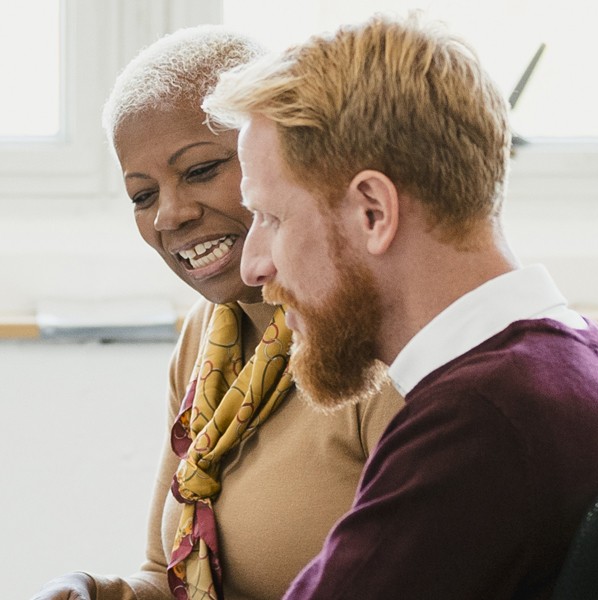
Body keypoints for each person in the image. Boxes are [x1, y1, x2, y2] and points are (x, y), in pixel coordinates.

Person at [203, 12, 598, 599]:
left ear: (373, 212)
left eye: (272, 218)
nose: (253, 265)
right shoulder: (567, 362)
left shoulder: (478, 424)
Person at [31, 25, 403, 600]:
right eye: (142, 194)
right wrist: (91, 590)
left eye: (201, 169)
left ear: (281, 158)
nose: (169, 216)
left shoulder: (379, 348)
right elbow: (162, 573)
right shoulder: (211, 335)